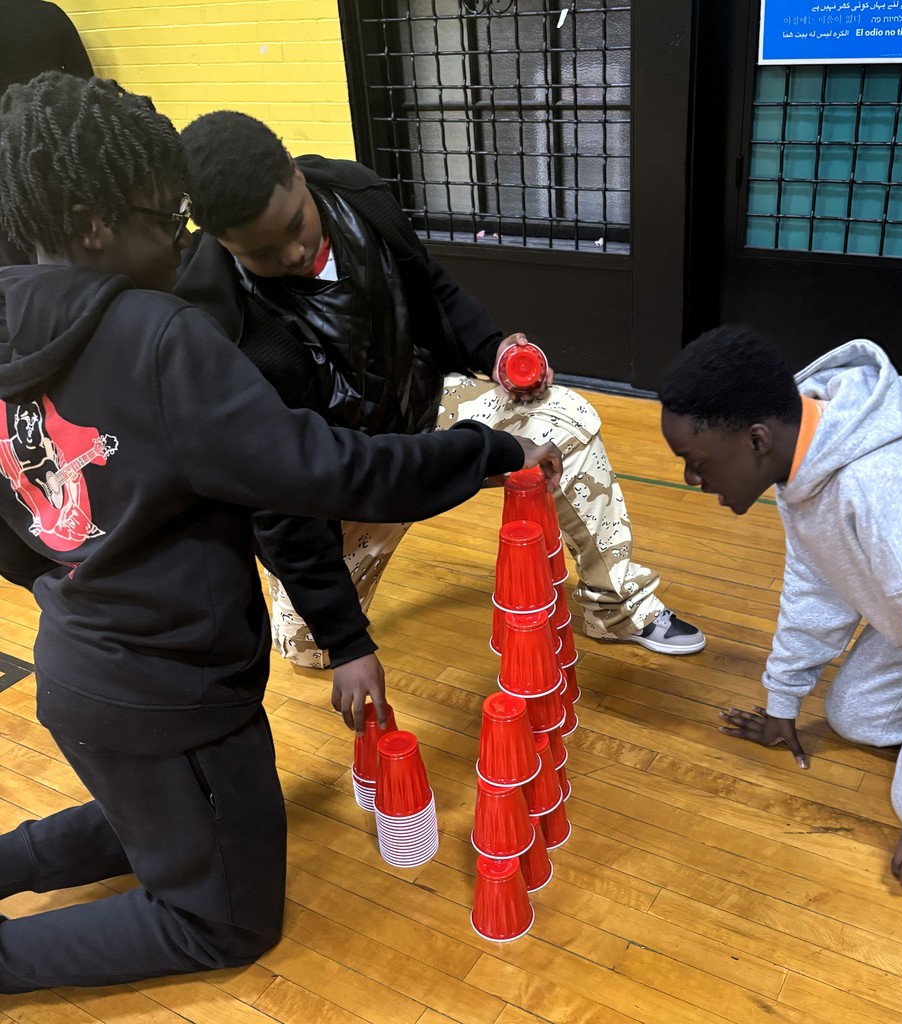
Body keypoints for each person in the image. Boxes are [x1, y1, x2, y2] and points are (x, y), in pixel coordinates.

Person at [0, 72, 560, 992]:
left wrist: (82, 575)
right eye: (164, 221)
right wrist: (484, 450)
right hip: (177, 694)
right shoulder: (156, 335)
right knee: (224, 924)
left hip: (82, 672)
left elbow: (13, 539)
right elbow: (324, 472)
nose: (178, 247)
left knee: (175, 821)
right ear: (88, 220)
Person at [174, 111, 706, 707]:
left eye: (296, 223)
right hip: (333, 489)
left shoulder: (358, 196)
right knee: (310, 649)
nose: (295, 252)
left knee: (568, 418)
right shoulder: (214, 325)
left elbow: (431, 290)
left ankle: (615, 605)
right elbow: (275, 500)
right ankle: (323, 617)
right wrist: (349, 642)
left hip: (424, 414)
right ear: (222, 243)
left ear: (295, 172)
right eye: (264, 253)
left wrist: (494, 349)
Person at [658, 324, 902, 898]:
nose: (692, 479)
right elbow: (816, 589)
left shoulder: (881, 493)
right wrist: (783, 701)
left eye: (697, 462)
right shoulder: (803, 461)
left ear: (755, 440)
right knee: (856, 716)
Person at [0, 0, 93, 265]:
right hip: (54, 141)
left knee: (9, 247)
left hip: (4, 148)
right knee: (61, 234)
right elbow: (85, 82)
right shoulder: (50, 14)